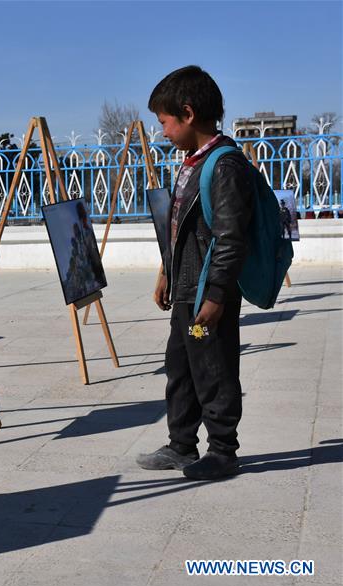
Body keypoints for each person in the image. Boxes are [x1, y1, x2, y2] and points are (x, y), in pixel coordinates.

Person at [136, 66, 254, 480]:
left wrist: (217, 295)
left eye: (164, 122)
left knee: (214, 368)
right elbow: (180, 227)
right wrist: (167, 271)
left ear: (187, 114)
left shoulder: (224, 166)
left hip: (207, 295)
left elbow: (230, 237)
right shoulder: (192, 161)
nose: (162, 131)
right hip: (186, 290)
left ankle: (223, 451)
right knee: (181, 367)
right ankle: (181, 445)